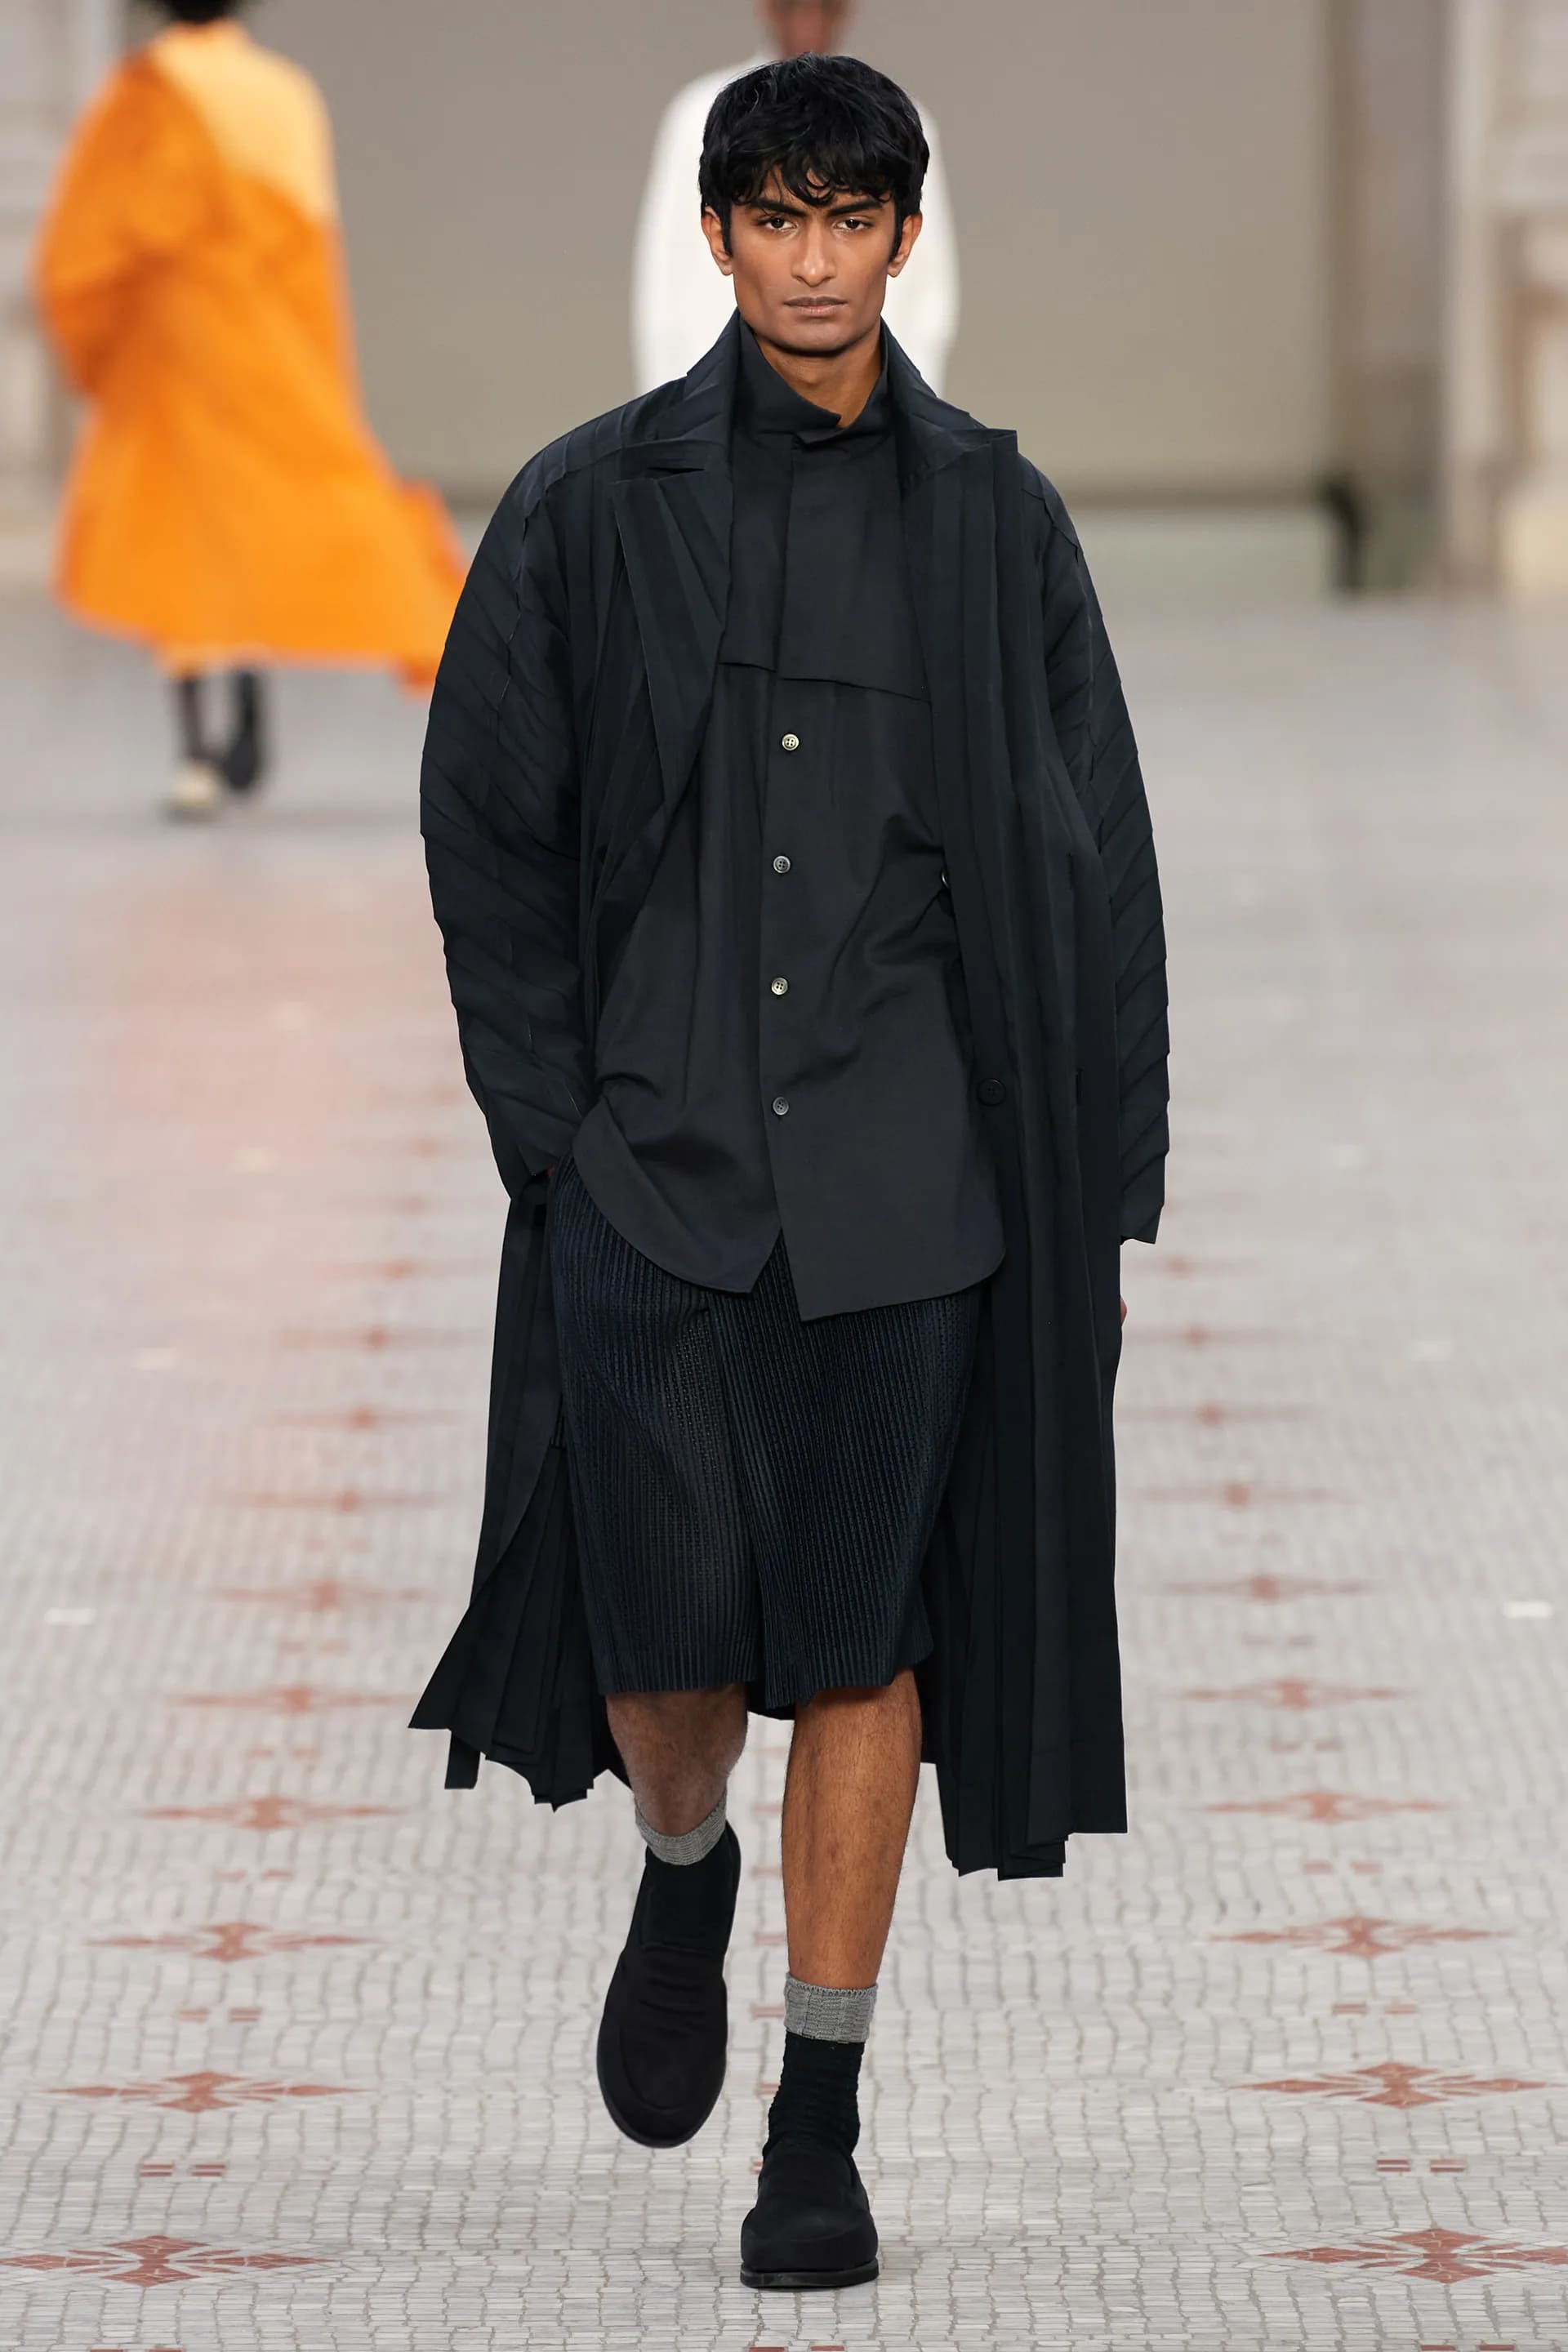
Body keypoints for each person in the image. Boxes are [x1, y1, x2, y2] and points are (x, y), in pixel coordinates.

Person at [414, 55, 1168, 2292]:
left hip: (906, 1185)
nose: (816, 258)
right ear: (723, 235)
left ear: (904, 240)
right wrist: (551, 1141)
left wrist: (1104, 1182)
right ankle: (682, 1859)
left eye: (853, 218)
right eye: (779, 217)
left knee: (864, 1648)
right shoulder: (587, 507)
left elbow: (1098, 856)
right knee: (662, 1654)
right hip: (652, 1171)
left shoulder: (996, 525)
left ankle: (814, 2128)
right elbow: (487, 827)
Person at [33, 0, 464, 822]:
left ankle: (197, 749)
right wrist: (319, 363)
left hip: (177, 344)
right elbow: (311, 240)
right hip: (271, 341)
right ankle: (260, 697)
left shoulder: (143, 92)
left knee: (185, 535)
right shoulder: (285, 92)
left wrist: (97, 348)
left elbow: (89, 245)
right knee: (274, 514)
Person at [634, 0, 959, 394]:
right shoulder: (697, 117)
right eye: (777, 222)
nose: (813, 268)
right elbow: (665, 278)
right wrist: (674, 409)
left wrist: (916, 407)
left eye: (851, 222)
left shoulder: (898, 124)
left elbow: (928, 294)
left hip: (868, 396)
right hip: (719, 391)